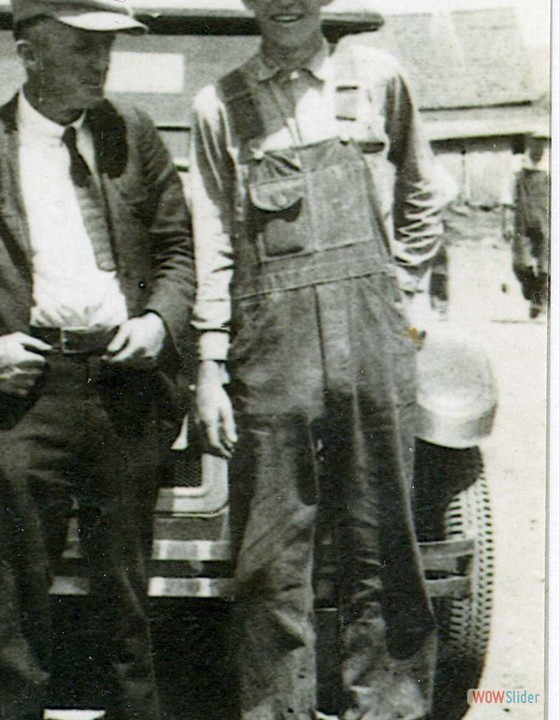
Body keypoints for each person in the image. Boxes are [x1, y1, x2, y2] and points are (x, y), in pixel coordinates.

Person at [0, 1, 195, 717]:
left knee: (126, 590)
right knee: (15, 596)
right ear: (29, 53)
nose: (100, 64)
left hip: (125, 390)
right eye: (81, 48)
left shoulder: (134, 135)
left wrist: (159, 321)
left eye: (106, 49)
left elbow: (178, 249)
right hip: (25, 396)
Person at [188, 1, 444, 718]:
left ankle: (389, 707)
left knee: (382, 538)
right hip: (273, 346)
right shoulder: (220, 104)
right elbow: (212, 241)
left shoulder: (381, 80)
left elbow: (425, 193)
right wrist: (211, 360)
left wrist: (406, 289)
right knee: (272, 556)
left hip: (372, 336)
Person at [504, 129, 550, 319]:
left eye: (543, 141)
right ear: (529, 143)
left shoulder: (552, 165)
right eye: (535, 141)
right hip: (521, 220)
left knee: (546, 266)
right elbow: (506, 195)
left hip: (546, 219)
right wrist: (505, 221)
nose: (539, 146)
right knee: (520, 265)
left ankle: (539, 299)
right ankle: (533, 293)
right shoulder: (516, 166)